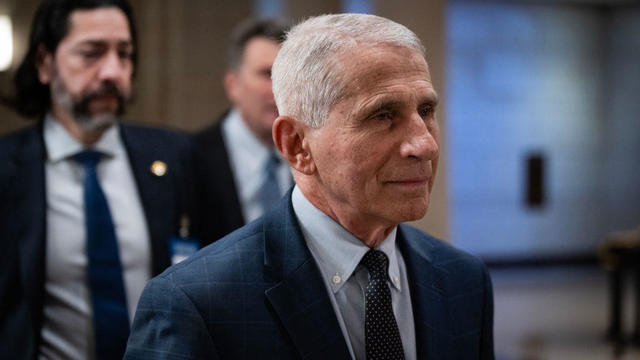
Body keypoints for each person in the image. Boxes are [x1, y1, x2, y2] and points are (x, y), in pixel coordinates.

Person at [125, 14, 494, 360]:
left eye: (426, 112)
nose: (425, 145)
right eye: (383, 116)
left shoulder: (464, 281)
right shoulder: (196, 304)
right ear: (297, 145)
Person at [0, 0, 201, 359]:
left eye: (123, 54)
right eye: (91, 54)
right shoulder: (7, 169)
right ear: (45, 64)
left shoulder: (176, 157)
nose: (112, 71)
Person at [194, 18, 292, 243]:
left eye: (287, 75)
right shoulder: (192, 158)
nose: (279, 89)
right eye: (267, 74)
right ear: (233, 85)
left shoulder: (312, 157)